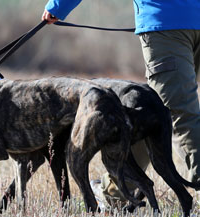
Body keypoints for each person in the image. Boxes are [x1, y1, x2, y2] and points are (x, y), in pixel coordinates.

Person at [42, 0, 200, 207]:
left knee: (175, 112)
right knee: (154, 115)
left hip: (167, 23)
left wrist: (57, 7)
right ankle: (118, 191)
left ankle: (117, 191)